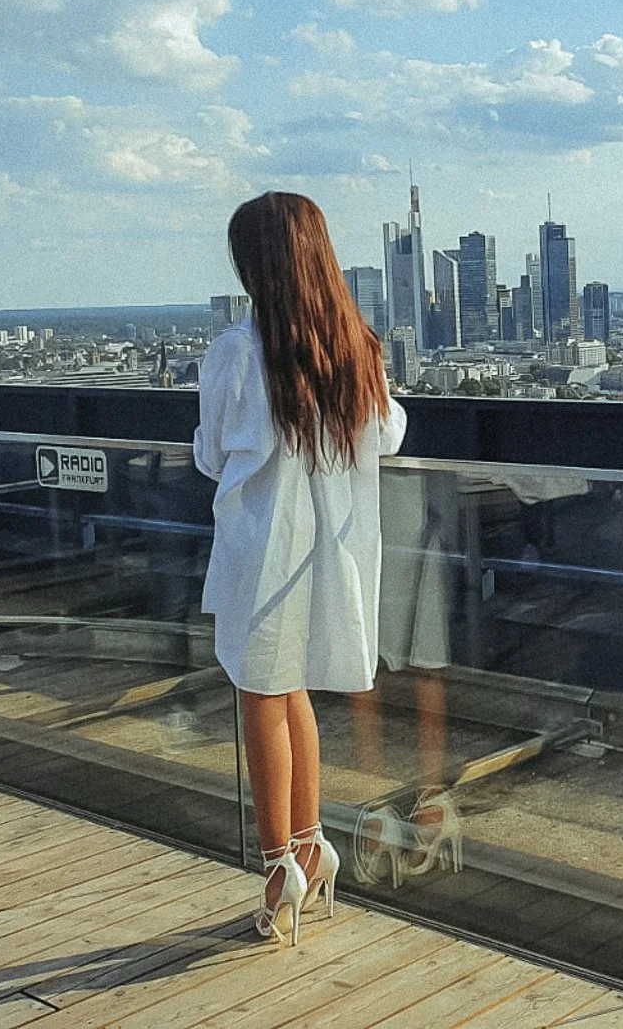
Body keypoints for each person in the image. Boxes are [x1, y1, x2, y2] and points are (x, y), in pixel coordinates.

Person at [195, 192, 406, 946]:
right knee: (294, 694)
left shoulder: (236, 351)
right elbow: (388, 433)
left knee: (262, 696)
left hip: (259, 552)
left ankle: (278, 863)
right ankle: (313, 845)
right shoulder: (356, 346)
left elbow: (211, 454)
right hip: (328, 554)